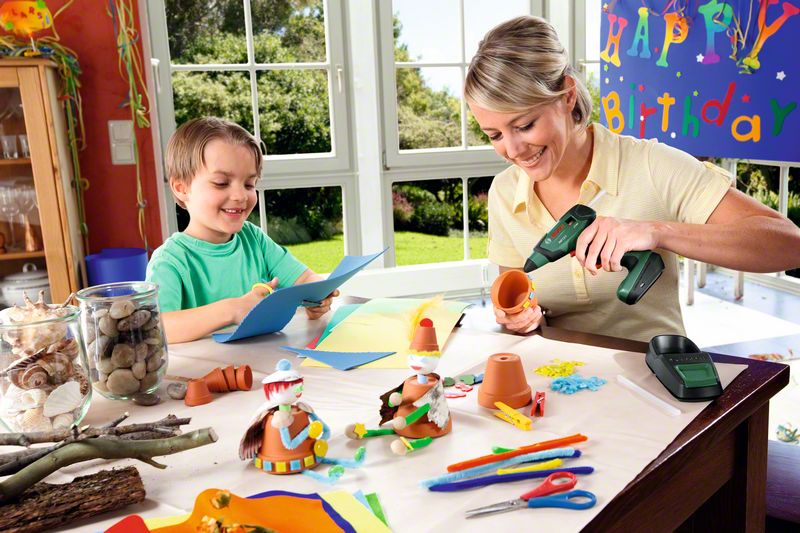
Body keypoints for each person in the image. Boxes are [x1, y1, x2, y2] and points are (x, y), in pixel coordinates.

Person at [465, 16, 800, 342]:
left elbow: (789, 245)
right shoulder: (505, 192)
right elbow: (512, 296)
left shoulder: (651, 164)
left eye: (524, 126)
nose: (513, 150)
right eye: (494, 134)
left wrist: (655, 232)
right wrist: (520, 317)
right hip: (558, 383)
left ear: (567, 96)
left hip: (654, 381)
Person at [146, 117, 336, 343]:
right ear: (181, 188)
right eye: (221, 183)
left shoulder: (253, 239)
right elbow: (158, 328)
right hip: (206, 374)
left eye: (249, 184)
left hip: (265, 366)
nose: (240, 196)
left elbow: (304, 278)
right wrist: (232, 309)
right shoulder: (170, 260)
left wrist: (317, 296)